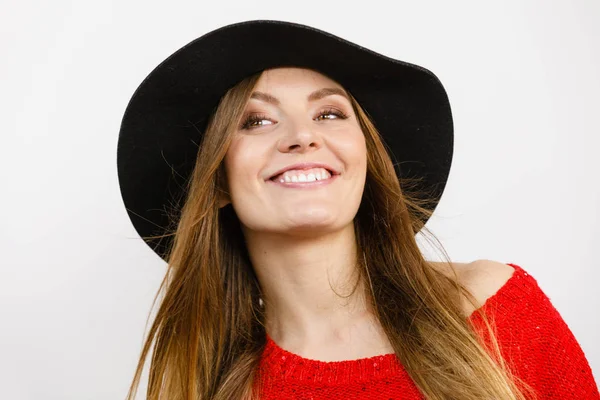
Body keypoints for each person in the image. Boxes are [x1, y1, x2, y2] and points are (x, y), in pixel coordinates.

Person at [117, 20, 599, 400]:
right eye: (256, 120)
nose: (303, 136)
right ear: (218, 180)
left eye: (329, 113)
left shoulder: (494, 308)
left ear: (365, 159)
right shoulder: (216, 387)